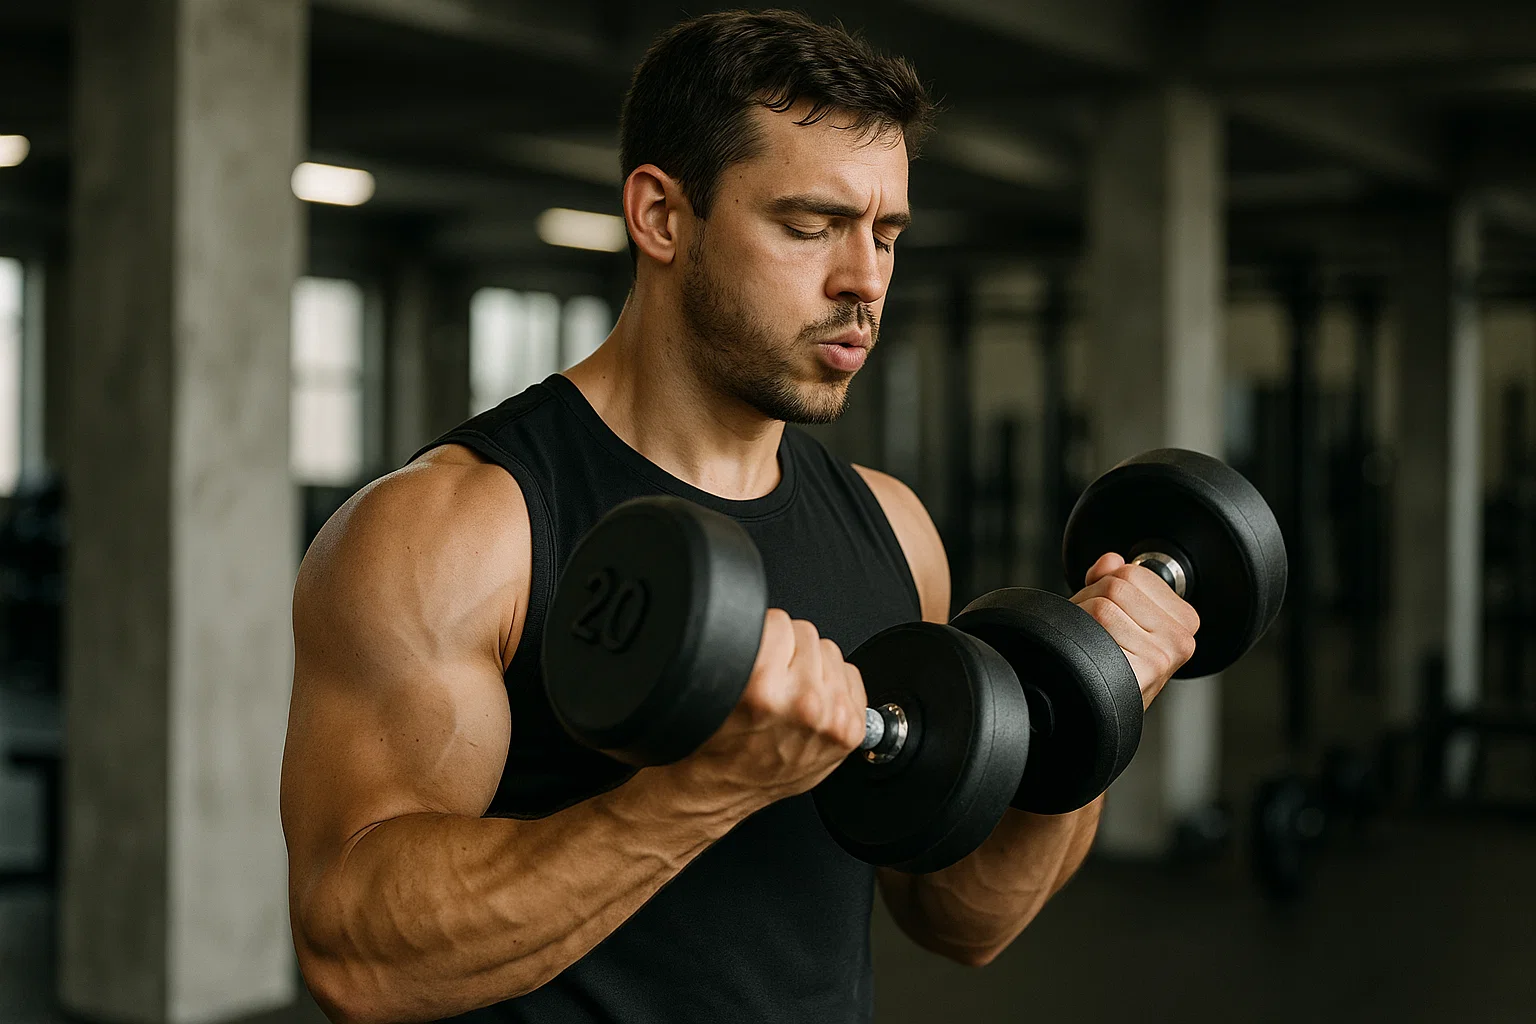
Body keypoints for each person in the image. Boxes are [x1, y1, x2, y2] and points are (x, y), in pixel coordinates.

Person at [280, 10, 1199, 1024]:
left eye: (886, 234)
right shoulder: (458, 528)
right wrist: (700, 791)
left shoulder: (894, 529)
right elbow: (353, 953)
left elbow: (958, 917)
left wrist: (1098, 703)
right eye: (810, 226)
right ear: (661, 216)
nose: (865, 281)